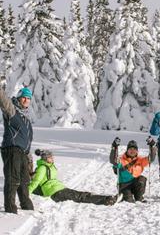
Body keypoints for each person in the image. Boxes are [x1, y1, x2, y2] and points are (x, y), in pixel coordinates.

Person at [29, 149, 121, 206]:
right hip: (55, 192)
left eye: (52, 156)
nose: (52, 158)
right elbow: (36, 182)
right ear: (45, 158)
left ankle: (107, 199)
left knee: (81, 195)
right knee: (81, 196)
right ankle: (108, 200)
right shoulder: (42, 168)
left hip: (59, 189)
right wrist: (26, 193)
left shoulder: (49, 166)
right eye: (50, 157)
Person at [0, 86, 34, 214]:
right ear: (19, 98)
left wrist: (29, 160)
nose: (26, 100)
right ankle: (10, 209)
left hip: (23, 153)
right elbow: (3, 101)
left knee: (25, 182)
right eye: (24, 97)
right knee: (13, 180)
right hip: (12, 149)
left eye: (28, 98)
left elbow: (28, 142)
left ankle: (27, 207)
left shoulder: (26, 120)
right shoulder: (12, 111)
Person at [109, 138, 157, 203]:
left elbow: (151, 159)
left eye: (134, 149)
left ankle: (139, 198)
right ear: (127, 150)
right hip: (124, 185)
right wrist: (114, 147)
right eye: (130, 149)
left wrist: (152, 146)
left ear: (137, 151)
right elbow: (113, 160)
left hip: (135, 184)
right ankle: (123, 196)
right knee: (129, 202)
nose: (132, 151)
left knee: (141, 179)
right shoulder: (121, 159)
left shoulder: (140, 160)